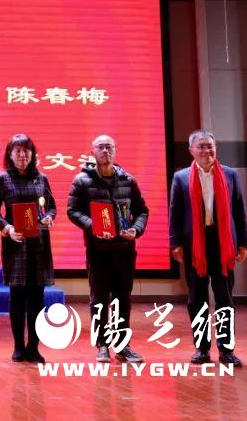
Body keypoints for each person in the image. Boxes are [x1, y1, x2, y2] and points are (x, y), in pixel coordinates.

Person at [169, 129, 247, 367]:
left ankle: (227, 350)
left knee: (225, 299)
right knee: (197, 299)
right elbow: (175, 212)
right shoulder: (181, 177)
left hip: (223, 244)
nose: (206, 151)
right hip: (194, 244)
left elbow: (239, 210)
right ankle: (202, 349)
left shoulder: (230, 175)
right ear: (191, 150)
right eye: (201, 146)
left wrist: (243, 242)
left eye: (210, 146)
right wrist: (175, 243)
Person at [67, 134, 149, 364]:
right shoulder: (82, 181)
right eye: (101, 147)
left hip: (124, 249)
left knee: (123, 298)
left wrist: (136, 229)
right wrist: (93, 225)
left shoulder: (128, 180)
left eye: (110, 147)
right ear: (92, 151)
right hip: (98, 250)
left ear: (115, 151)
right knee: (99, 300)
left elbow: (142, 211)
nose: (106, 151)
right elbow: (72, 211)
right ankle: (102, 345)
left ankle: (123, 346)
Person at [0, 133, 57, 364]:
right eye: (17, 151)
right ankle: (18, 346)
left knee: (37, 298)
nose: (22, 155)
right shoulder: (3, 179)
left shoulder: (41, 178)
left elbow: (51, 207)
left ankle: (33, 347)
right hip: (15, 243)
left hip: (39, 243)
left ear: (32, 154)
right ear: (10, 154)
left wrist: (49, 217)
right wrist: (7, 228)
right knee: (17, 297)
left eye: (26, 151)